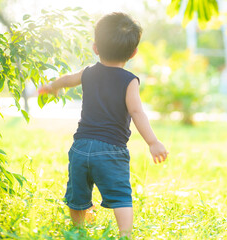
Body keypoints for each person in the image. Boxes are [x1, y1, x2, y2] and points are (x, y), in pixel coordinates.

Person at [39, 12, 168, 238]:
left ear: (95, 47)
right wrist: (153, 142)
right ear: (134, 52)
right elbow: (137, 112)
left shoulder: (88, 72)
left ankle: (78, 230)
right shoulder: (129, 80)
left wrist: (52, 86)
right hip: (111, 150)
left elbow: (68, 79)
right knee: (120, 195)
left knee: (78, 194)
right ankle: (125, 234)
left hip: (80, 147)